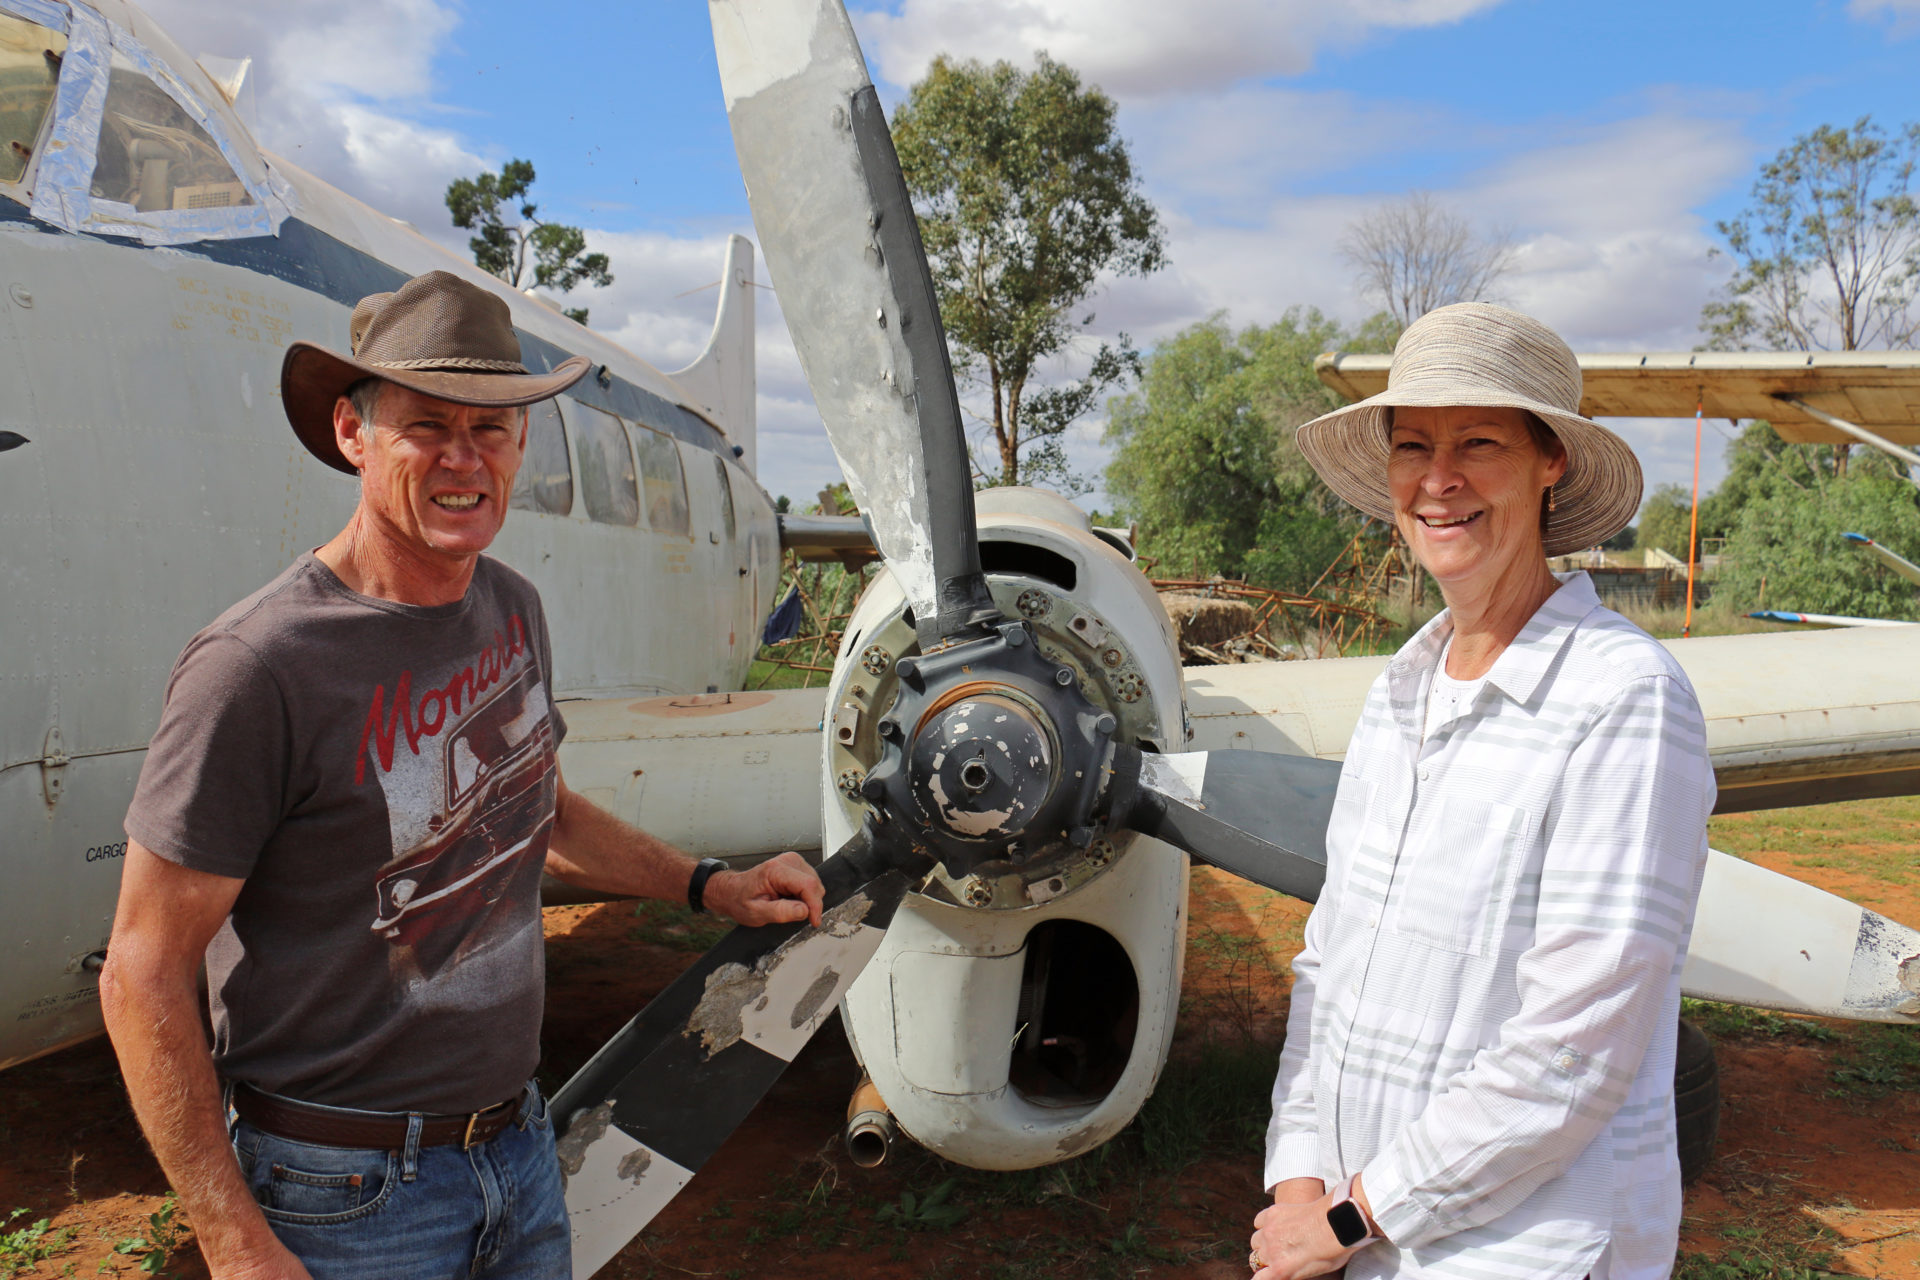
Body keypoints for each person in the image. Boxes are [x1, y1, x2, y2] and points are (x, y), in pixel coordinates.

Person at [100, 271, 826, 1280]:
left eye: (491, 428)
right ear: (354, 435)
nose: (463, 457)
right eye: (425, 426)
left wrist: (711, 883)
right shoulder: (256, 665)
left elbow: (544, 807)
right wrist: (233, 1242)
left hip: (517, 1148)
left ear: (520, 446)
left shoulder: (509, 606)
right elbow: (140, 970)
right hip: (341, 1191)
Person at [1249, 303, 1714, 1280]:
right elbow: (1330, 962)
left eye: (1480, 442)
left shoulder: (1622, 697)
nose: (1438, 477)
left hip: (1523, 1252)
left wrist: (1346, 1219)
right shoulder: (1400, 690)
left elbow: (1571, 1056)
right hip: (1362, 1234)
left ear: (1552, 463)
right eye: (1413, 444)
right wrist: (1300, 1176)